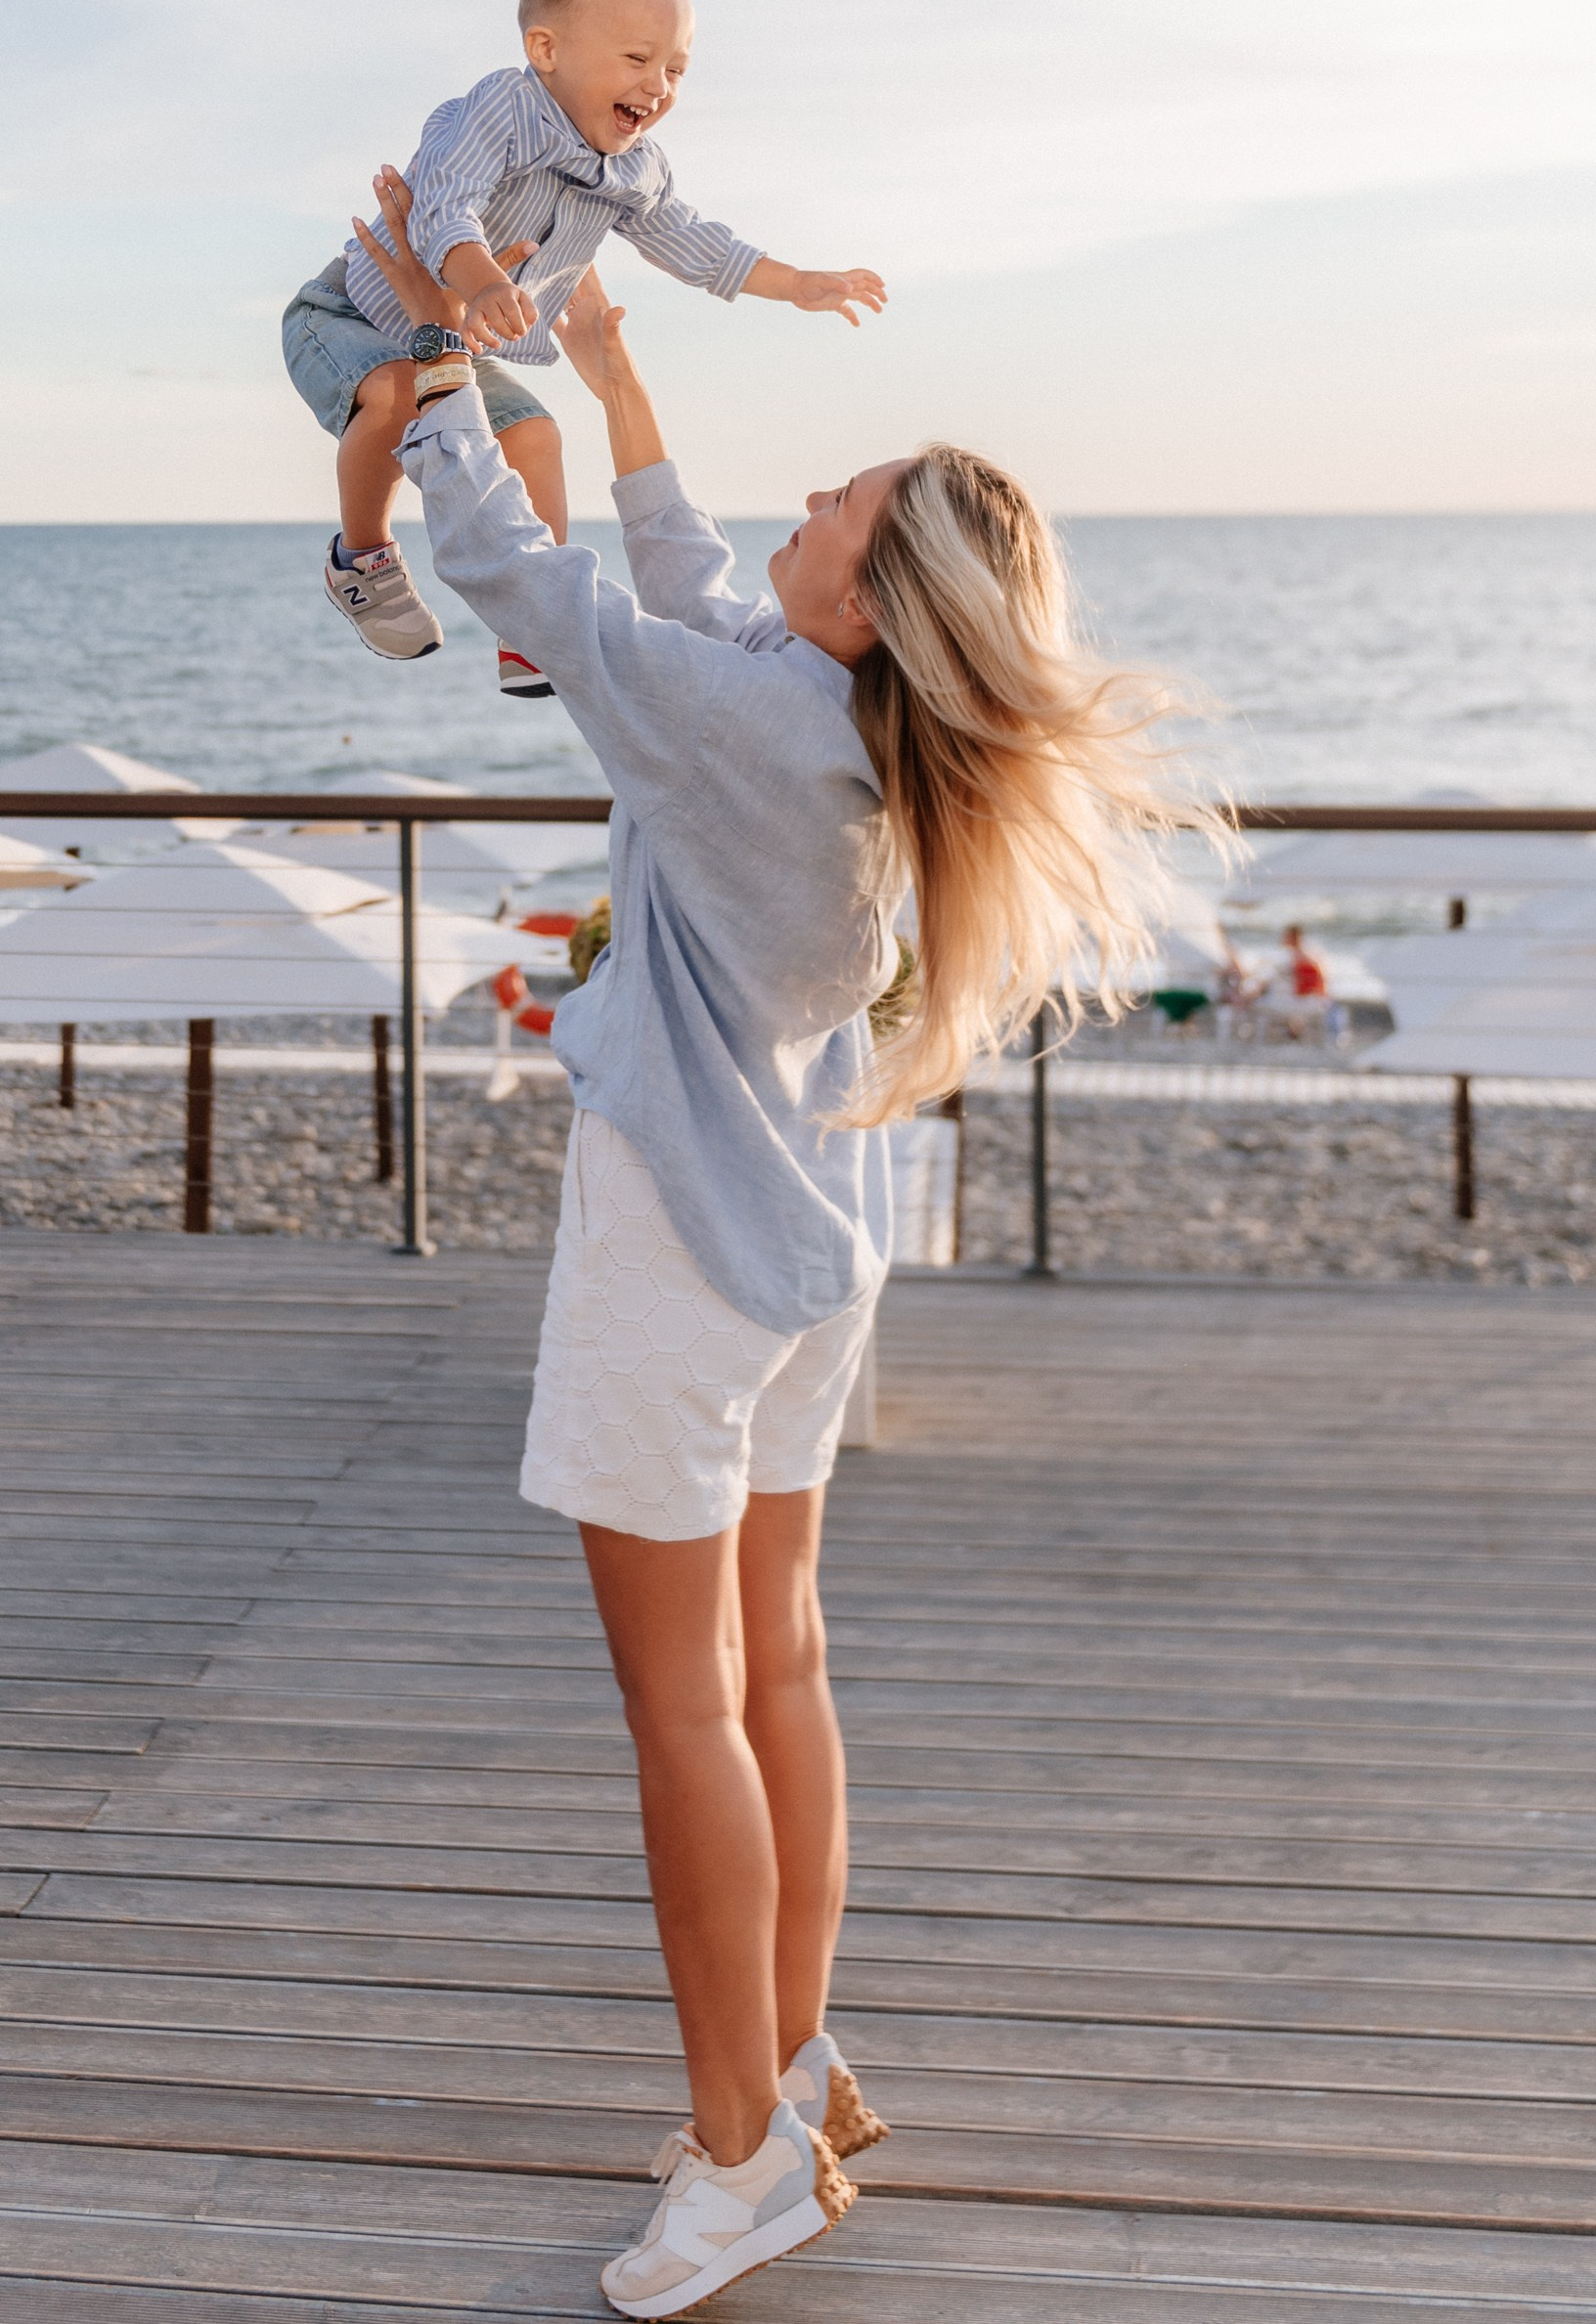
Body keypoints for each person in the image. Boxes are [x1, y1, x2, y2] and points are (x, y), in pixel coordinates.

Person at [355, 168, 1202, 2320]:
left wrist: (437, 358)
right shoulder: (842, 733)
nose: (810, 495)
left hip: (675, 1237)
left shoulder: (748, 725)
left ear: (874, 598)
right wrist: (612, 373)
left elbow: (526, 586)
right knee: (779, 1667)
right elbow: (691, 594)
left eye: (844, 498)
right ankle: (798, 2066)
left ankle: (737, 2158)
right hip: (813, 1233)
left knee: (680, 1712)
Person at [284, 0, 884, 697]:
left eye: (675, 69)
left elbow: (692, 242)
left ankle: (534, 619)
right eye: (636, 60)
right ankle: (361, 559)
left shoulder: (633, 168)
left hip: (454, 346)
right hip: (347, 316)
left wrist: (794, 282)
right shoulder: (503, 108)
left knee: (536, 435)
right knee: (400, 394)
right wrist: (482, 282)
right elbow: (443, 205)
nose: (658, 86)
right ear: (547, 49)